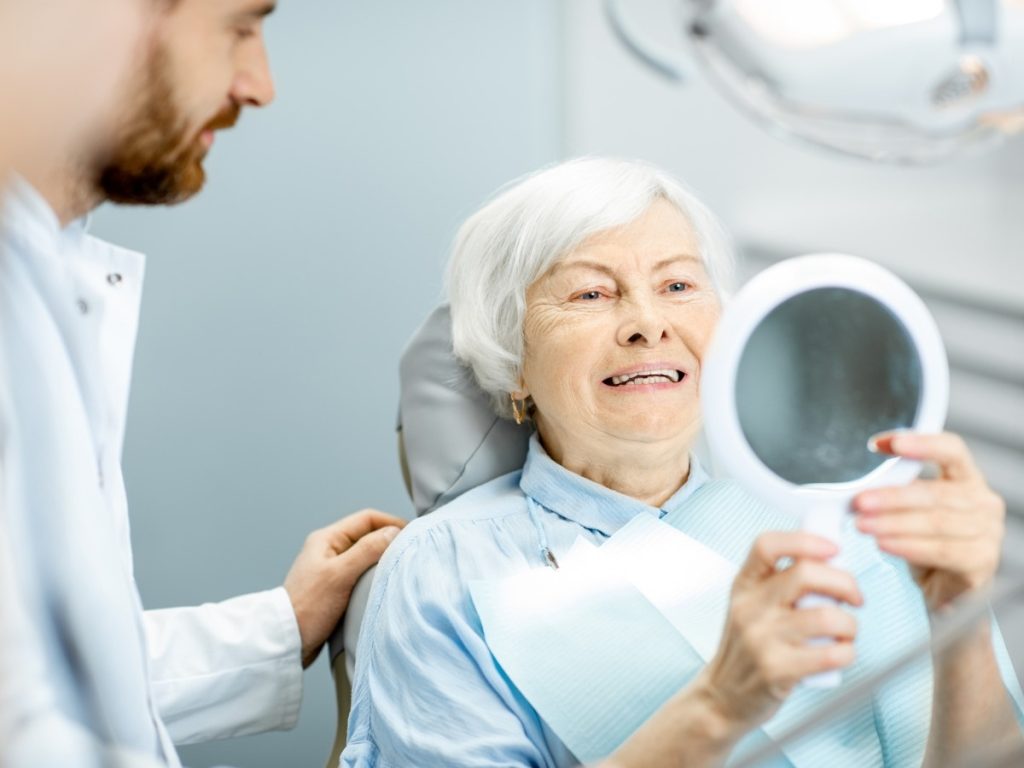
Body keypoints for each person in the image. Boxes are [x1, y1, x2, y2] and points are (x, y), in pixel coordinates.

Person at [342, 157, 1023, 767]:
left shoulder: (848, 520)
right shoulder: (446, 569)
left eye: (676, 287)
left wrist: (960, 615)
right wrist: (720, 706)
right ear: (513, 363)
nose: (648, 323)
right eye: (590, 293)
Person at [0, 0, 404, 765]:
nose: (258, 84)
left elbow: (49, 677)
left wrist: (283, 624)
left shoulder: (47, 280)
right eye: (240, 27)